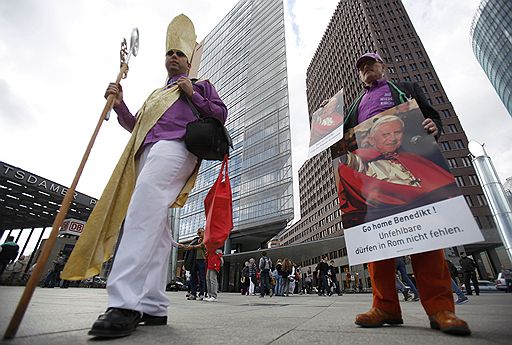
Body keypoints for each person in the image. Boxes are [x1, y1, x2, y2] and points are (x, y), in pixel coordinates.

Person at [81, 15, 227, 338]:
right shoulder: (154, 96)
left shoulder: (200, 85)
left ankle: (124, 302)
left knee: (142, 210)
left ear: (188, 61)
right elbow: (137, 127)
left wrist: (193, 94)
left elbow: (220, 115)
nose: (173, 58)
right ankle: (154, 304)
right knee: (159, 229)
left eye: (179, 54)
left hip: (176, 149)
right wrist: (120, 105)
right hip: (147, 154)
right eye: (169, 54)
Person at [345, 52, 470, 336]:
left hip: (411, 170)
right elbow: (346, 143)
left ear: (382, 67)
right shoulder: (354, 107)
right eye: (362, 67)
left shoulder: (407, 89)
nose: (366, 69)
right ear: (359, 75)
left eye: (371, 64)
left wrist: (433, 126)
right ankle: (385, 305)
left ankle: (441, 308)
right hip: (373, 181)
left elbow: (432, 117)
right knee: (377, 242)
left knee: (426, 236)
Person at [338, 114, 458, 227]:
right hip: (390, 225)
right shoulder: (359, 160)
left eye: (397, 133)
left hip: (431, 220)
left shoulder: (414, 157)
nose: (393, 139)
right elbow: (345, 159)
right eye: (385, 135)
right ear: (371, 139)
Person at [183, 228, 207, 301]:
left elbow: (202, 246)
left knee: (202, 277)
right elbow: (190, 247)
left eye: (200, 233)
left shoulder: (206, 239)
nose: (198, 234)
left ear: (204, 232)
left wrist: (193, 247)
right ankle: (193, 294)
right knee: (193, 277)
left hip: (202, 260)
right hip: (194, 260)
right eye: (197, 233)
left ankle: (201, 293)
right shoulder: (195, 239)